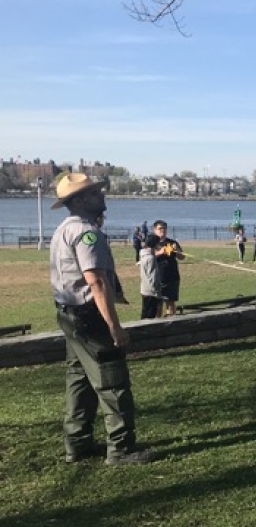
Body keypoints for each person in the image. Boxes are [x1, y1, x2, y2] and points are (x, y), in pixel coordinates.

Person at [49, 172, 155, 465]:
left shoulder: (63, 230)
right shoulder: (87, 233)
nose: (102, 196)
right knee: (112, 381)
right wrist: (114, 326)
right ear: (79, 200)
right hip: (90, 317)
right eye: (95, 193)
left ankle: (77, 443)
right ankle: (121, 449)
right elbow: (95, 281)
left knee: (79, 379)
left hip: (69, 315)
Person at [153, 220, 185, 317]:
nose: (162, 230)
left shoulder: (172, 243)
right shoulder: (152, 243)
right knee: (158, 304)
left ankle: (171, 321)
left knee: (171, 303)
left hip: (172, 277)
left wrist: (177, 250)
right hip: (157, 277)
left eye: (164, 228)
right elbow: (147, 256)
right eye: (160, 228)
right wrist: (160, 252)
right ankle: (157, 323)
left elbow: (182, 257)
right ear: (155, 230)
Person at [139, 234, 162, 319]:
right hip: (151, 292)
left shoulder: (143, 255)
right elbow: (153, 277)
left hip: (144, 289)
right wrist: (157, 291)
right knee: (150, 316)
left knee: (145, 313)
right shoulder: (151, 258)